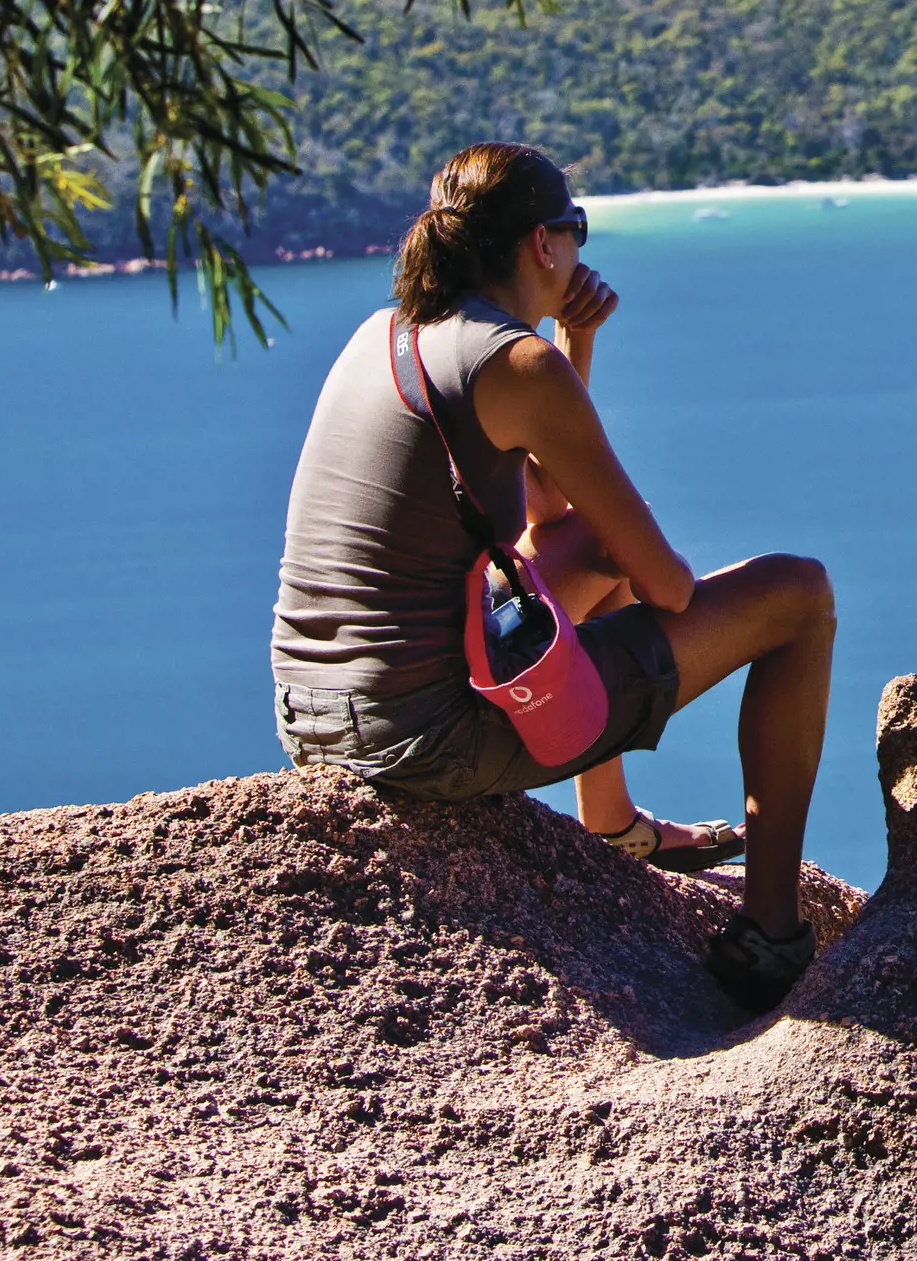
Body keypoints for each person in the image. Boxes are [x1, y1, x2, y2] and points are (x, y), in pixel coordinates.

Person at [270, 143, 836, 1011]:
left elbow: (545, 516)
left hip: (316, 717)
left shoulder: (389, 332)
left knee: (592, 553)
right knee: (798, 594)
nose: (580, 249)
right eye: (576, 229)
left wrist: (577, 341)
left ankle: (610, 820)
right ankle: (769, 933)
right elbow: (670, 589)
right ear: (543, 244)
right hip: (421, 741)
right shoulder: (514, 364)